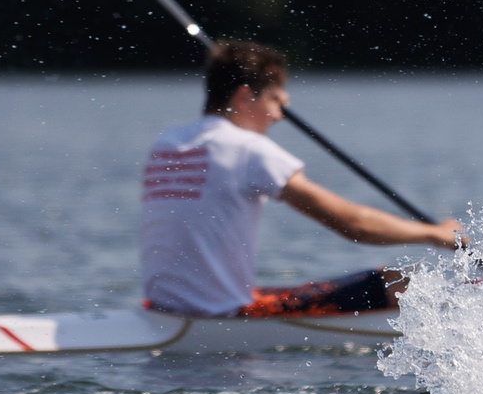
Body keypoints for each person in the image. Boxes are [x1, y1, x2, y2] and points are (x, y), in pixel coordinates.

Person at [140, 40, 460, 318]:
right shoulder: (250, 150)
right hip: (222, 313)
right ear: (243, 97)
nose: (280, 115)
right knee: (400, 281)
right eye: (275, 100)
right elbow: (354, 224)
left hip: (164, 307)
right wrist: (436, 235)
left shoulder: (167, 143)